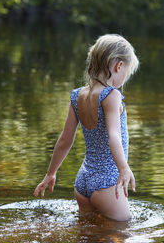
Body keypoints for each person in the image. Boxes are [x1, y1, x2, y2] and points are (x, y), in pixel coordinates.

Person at [33, 34, 139, 221]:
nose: (125, 78)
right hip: (107, 182)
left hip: (83, 181)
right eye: (127, 73)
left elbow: (65, 140)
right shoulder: (112, 95)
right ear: (118, 66)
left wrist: (51, 173)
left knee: (88, 235)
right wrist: (123, 168)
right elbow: (113, 135)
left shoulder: (78, 95)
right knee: (123, 234)